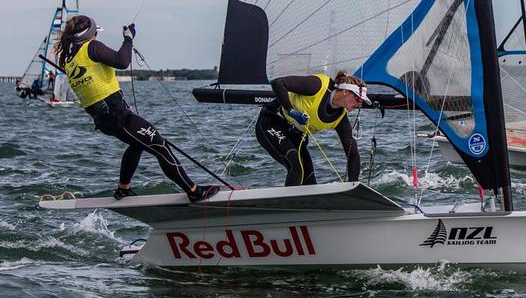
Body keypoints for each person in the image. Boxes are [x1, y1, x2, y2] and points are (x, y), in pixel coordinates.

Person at [54, 15, 218, 202]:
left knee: (137, 144)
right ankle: (194, 192)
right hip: (117, 115)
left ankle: (123, 189)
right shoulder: (91, 47)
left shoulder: (68, 58)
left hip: (104, 119)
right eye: (95, 34)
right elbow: (122, 62)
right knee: (160, 146)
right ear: (90, 34)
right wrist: (128, 39)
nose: (96, 37)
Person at [255, 71, 371, 186]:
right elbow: (278, 83)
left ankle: (305, 203)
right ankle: (288, 203)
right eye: (358, 99)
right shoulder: (318, 86)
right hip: (272, 122)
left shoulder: (340, 119)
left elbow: (353, 154)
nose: (359, 104)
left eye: (362, 102)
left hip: (295, 134)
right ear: (345, 91)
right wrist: (291, 110)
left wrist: (352, 186)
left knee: (309, 180)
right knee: (296, 164)